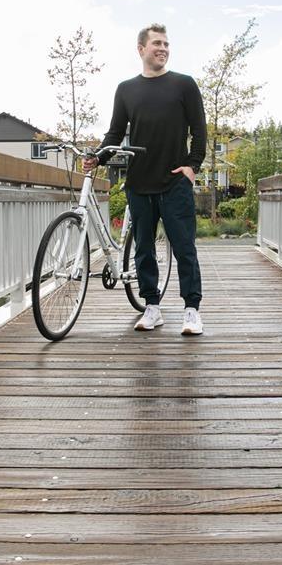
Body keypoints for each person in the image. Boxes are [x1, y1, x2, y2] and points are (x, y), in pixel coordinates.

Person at [83, 23, 206, 335]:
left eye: (166, 43)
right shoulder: (126, 90)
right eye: (156, 43)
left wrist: (192, 167)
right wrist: (99, 157)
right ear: (141, 49)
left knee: (184, 248)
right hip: (139, 183)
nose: (163, 48)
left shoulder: (184, 85)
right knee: (143, 250)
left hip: (175, 181)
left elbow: (199, 130)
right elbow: (114, 133)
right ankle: (152, 307)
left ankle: (191, 310)